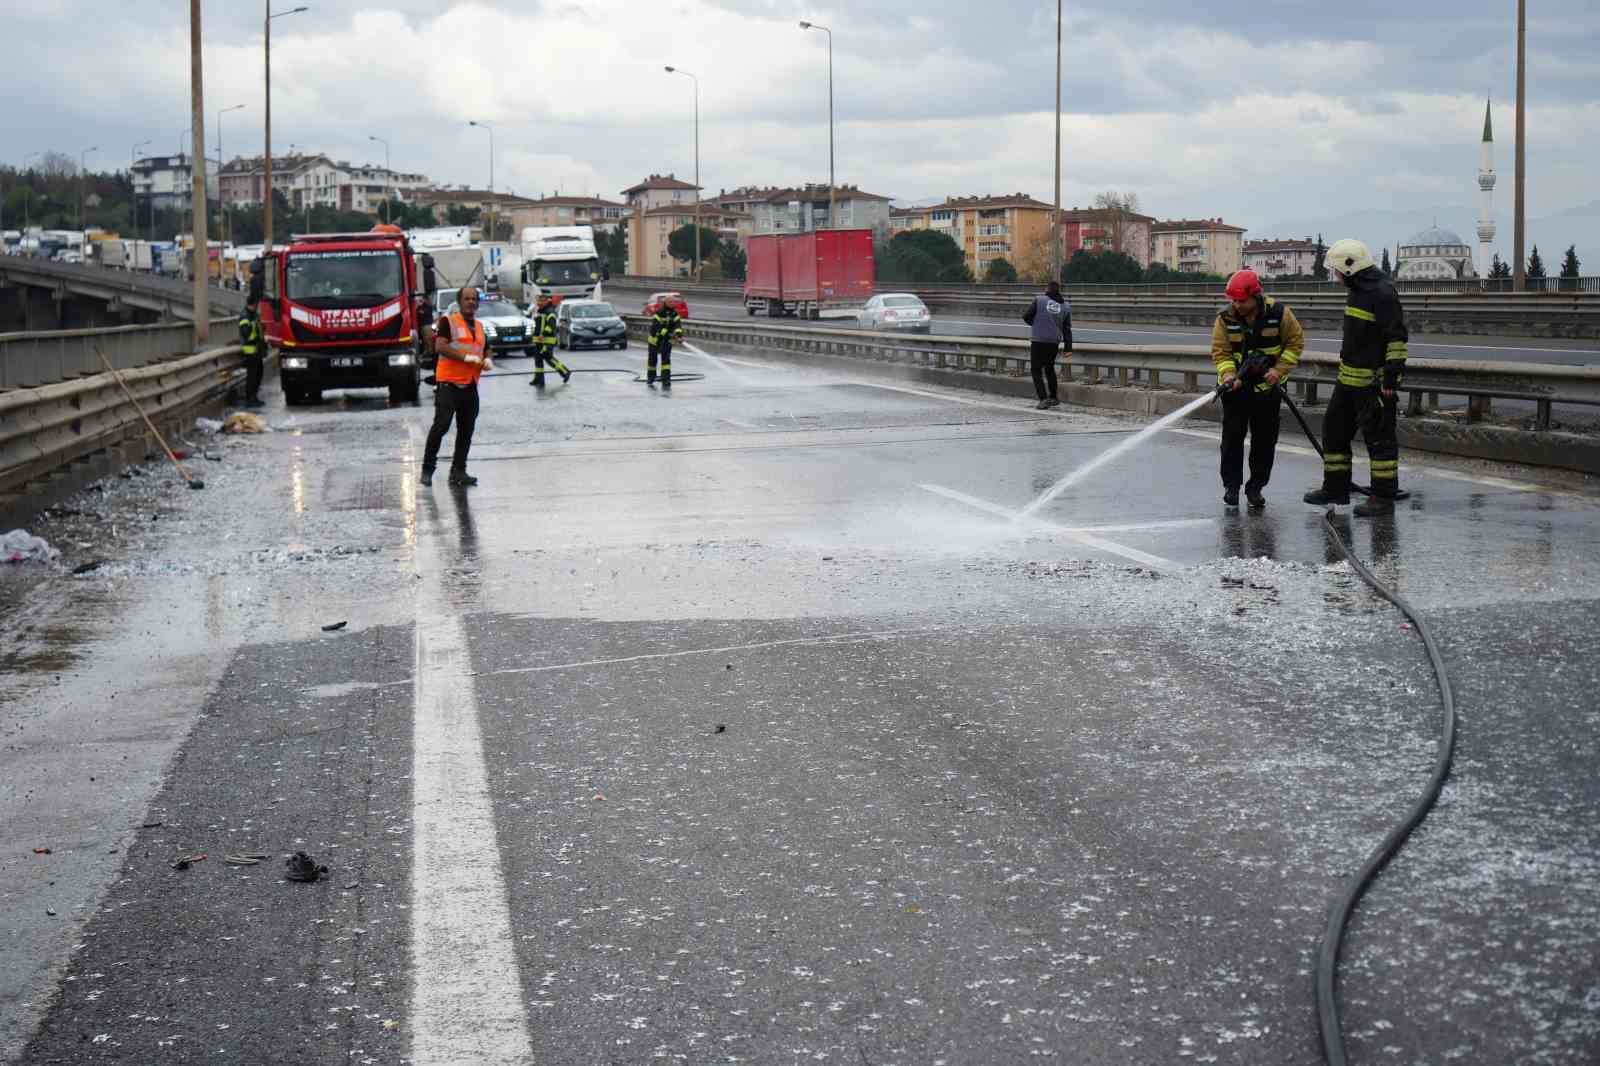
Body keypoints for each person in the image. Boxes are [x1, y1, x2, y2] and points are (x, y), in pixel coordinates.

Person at [1303, 238, 1409, 516]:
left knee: (1380, 442)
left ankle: (1383, 497)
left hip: (1373, 385)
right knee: (1334, 432)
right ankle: (1336, 488)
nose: (1335, 276)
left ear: (1351, 268)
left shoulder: (1382, 294)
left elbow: (1396, 340)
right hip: (1347, 381)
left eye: (1337, 270)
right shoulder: (1357, 291)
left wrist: (1390, 380)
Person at [1212, 269, 1304, 509]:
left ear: (1256, 296)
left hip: (1267, 390)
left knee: (1264, 442)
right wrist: (1230, 375)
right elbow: (1220, 352)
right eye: (1233, 300)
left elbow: (1295, 342)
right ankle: (1231, 488)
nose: (1237, 305)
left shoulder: (1280, 314)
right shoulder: (1225, 318)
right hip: (1235, 391)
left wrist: (1279, 370)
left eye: (1242, 301)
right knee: (1231, 441)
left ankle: (1256, 488)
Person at [421, 286, 493, 488]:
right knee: (441, 426)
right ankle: (427, 469)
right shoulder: (448, 322)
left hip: (470, 384)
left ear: (477, 303)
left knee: (466, 430)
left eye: (474, 299)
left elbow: (487, 349)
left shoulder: (479, 327)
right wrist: (465, 357)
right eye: (467, 298)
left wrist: (488, 360)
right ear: (459, 302)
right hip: (449, 384)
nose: (471, 302)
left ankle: (458, 471)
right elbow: (440, 346)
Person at [1021, 280, 1072, 409]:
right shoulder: (1065, 306)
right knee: (1049, 368)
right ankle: (1053, 397)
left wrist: (1036, 324)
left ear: (1047, 289)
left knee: (1036, 370)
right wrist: (1068, 348)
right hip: (1054, 342)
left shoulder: (1039, 300)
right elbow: (1067, 329)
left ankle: (1043, 399)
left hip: (1038, 340)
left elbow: (1026, 316)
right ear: (1058, 290)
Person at [529, 294, 572, 389]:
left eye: (541, 301)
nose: (539, 303)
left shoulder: (550, 312)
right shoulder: (541, 311)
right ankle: (539, 379)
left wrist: (543, 334)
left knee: (549, 359)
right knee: (538, 360)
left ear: (547, 301)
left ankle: (565, 372)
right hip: (538, 341)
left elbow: (551, 326)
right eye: (538, 301)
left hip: (547, 341)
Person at [647, 298, 684, 389]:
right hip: (655, 340)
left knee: (666, 360)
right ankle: (651, 378)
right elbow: (657, 327)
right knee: (652, 360)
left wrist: (679, 335)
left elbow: (678, 325)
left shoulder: (675, 314)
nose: (672, 303)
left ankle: (666, 380)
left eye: (673, 302)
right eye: (670, 302)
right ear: (665, 303)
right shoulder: (659, 313)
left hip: (667, 340)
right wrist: (669, 334)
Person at [238, 296, 266, 408]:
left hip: (257, 350)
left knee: (258, 374)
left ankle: (254, 397)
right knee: (252, 376)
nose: (257, 306)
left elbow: (258, 329)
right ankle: (250, 398)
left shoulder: (254, 315)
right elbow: (246, 334)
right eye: (257, 304)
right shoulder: (245, 316)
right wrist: (256, 336)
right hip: (250, 351)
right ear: (253, 304)